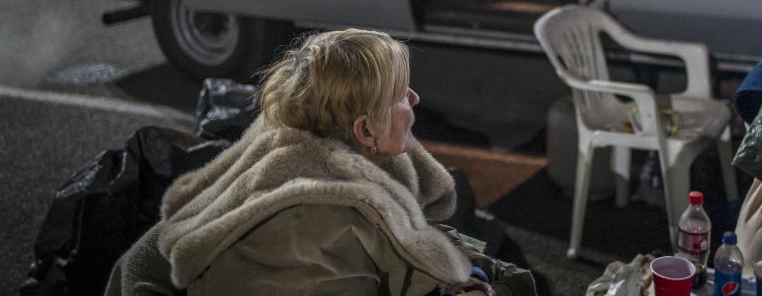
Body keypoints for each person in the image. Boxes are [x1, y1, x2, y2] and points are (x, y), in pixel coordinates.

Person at [105, 29, 534, 296]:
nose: (416, 100)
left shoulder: (335, 163)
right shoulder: (306, 229)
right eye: (403, 93)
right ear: (365, 131)